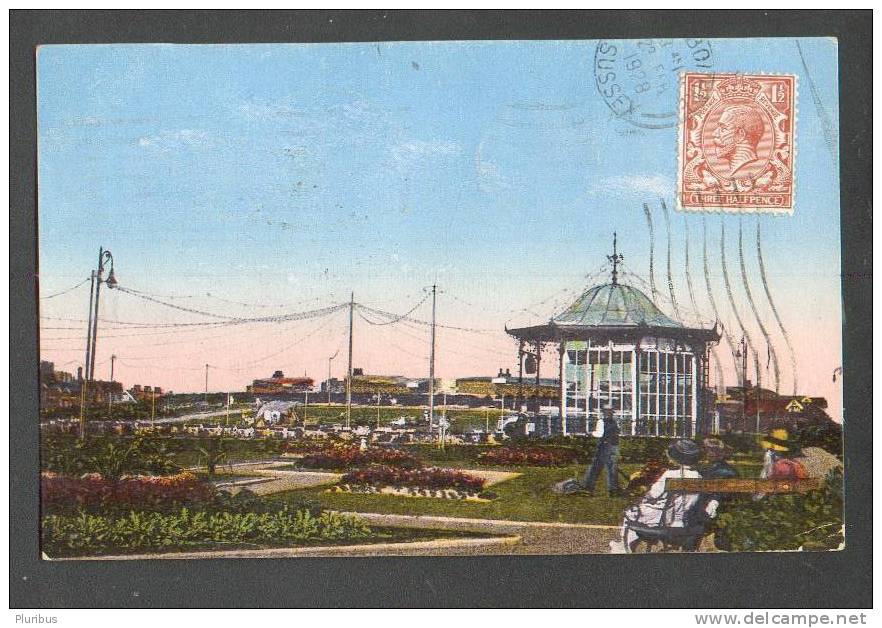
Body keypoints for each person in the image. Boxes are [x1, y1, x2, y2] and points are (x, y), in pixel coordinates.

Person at [611, 439, 712, 553]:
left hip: (664, 521)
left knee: (630, 513)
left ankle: (625, 547)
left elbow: (653, 495)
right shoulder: (698, 477)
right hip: (686, 521)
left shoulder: (670, 474)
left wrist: (639, 486)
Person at [581, 404, 621, 496]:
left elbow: (599, 434)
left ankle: (588, 488)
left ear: (604, 412)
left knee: (595, 468)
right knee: (612, 469)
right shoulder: (615, 422)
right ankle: (613, 490)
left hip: (604, 447)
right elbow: (618, 431)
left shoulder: (601, 421)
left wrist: (590, 433)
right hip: (614, 446)